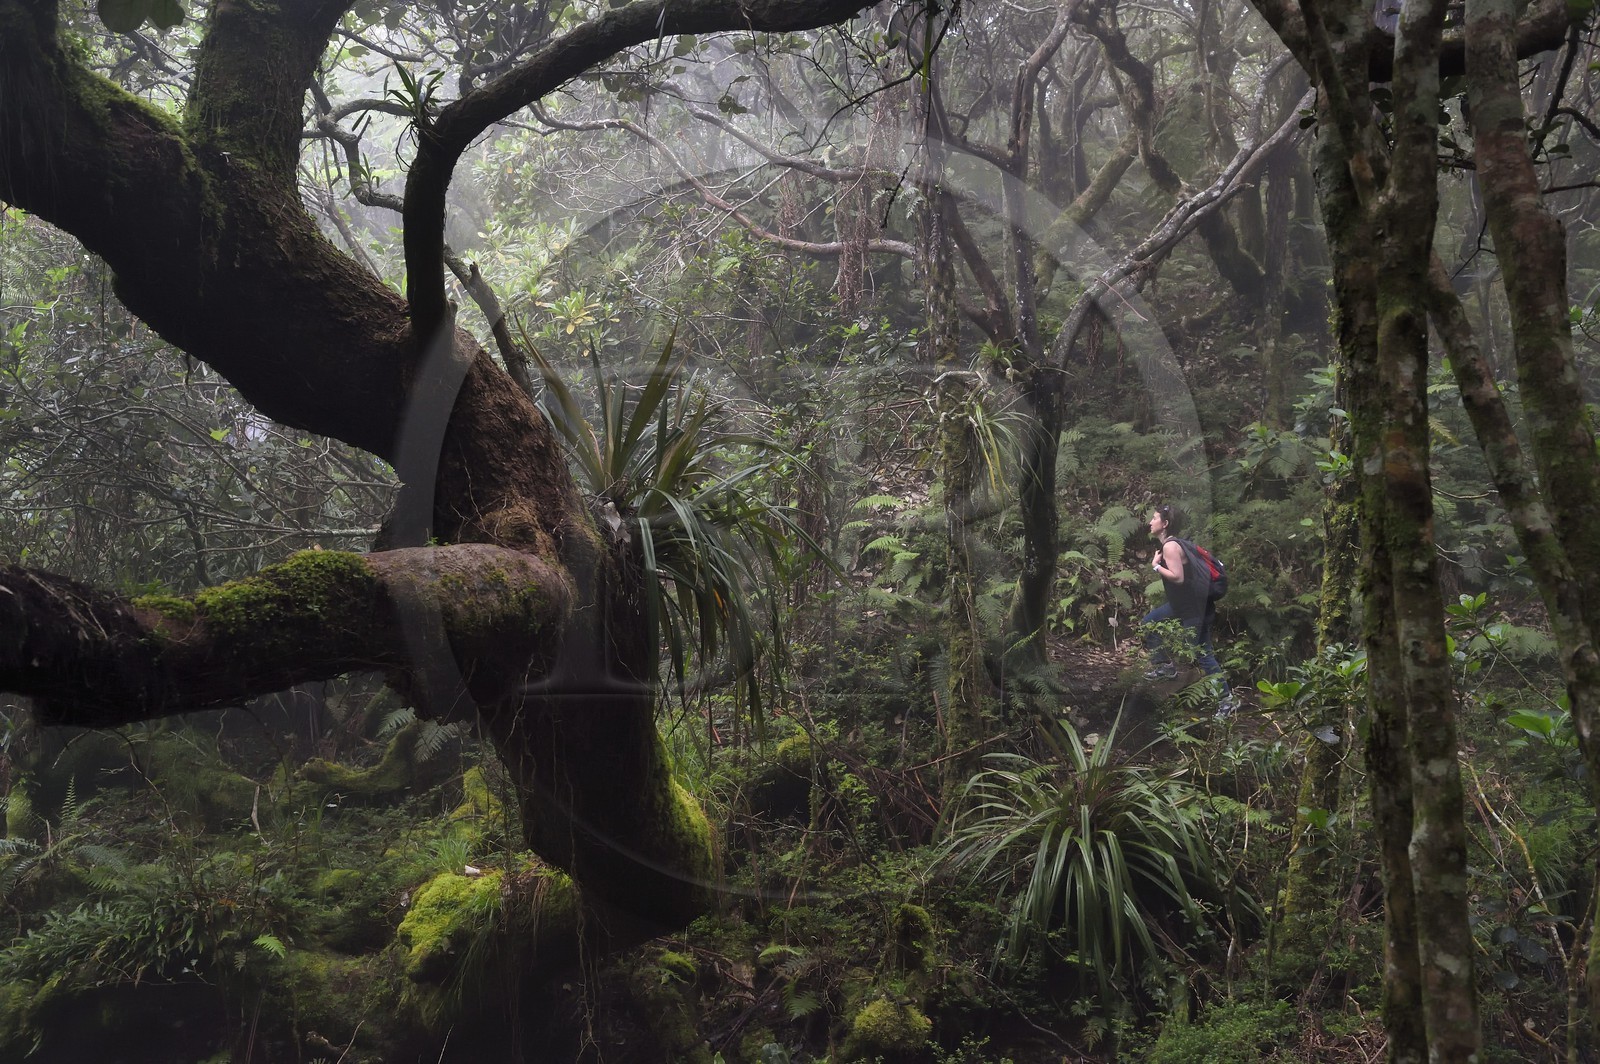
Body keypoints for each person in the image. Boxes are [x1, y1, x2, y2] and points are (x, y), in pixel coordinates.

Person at [1141, 504, 1240, 717]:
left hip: (1195, 609)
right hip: (1182, 606)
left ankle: (1226, 700)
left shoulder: (1170, 547)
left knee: (1202, 653)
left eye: (1155, 518)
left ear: (1165, 524)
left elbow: (1178, 577)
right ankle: (1165, 667)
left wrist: (1156, 566)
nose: (1150, 522)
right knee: (1149, 622)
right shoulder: (1174, 544)